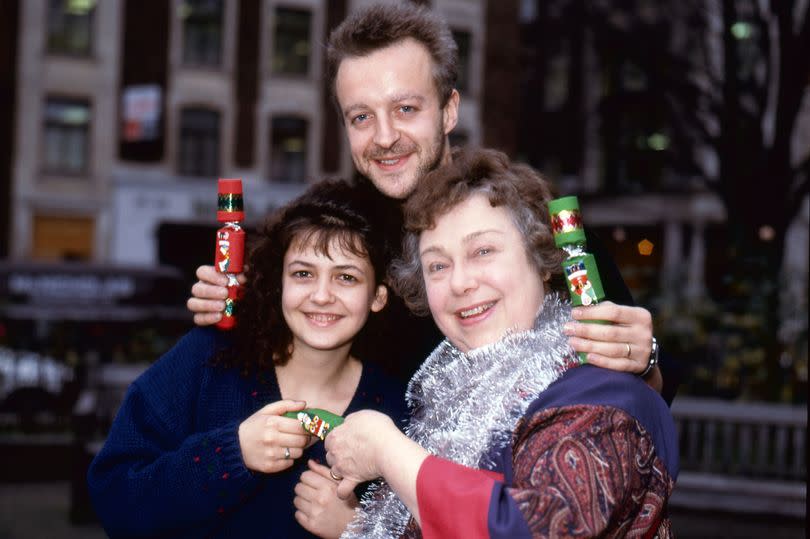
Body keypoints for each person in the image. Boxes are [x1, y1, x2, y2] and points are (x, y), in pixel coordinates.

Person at [187, 2, 677, 403]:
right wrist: (240, 307)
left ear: (449, 110)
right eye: (361, 117)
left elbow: (650, 388)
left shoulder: (532, 219)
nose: (384, 137)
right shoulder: (339, 235)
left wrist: (644, 359)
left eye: (405, 109)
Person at [324, 148, 678, 539]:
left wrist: (389, 452)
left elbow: (531, 530)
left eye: (483, 251)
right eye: (438, 265)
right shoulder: (447, 407)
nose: (460, 283)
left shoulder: (599, 393)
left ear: (542, 261)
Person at [86, 180, 408, 539]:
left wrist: (360, 531)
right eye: (303, 274)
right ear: (279, 283)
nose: (321, 296)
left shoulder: (398, 411)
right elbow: (114, 498)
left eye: (346, 278)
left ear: (378, 296)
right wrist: (230, 456)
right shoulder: (210, 358)